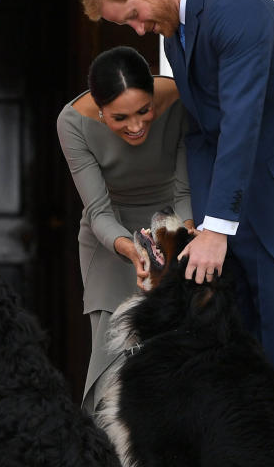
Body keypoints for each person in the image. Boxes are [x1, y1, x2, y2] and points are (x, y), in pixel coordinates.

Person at [81, 0, 274, 401]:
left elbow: (240, 124)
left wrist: (216, 230)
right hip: (235, 215)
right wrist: (200, 225)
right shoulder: (176, 30)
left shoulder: (238, 9)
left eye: (131, 15)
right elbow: (204, 134)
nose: (139, 30)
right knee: (233, 370)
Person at [57, 46, 192, 414]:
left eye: (144, 111)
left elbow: (184, 192)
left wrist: (184, 240)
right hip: (111, 239)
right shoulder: (71, 122)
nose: (135, 126)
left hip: (173, 224)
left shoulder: (180, 99)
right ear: (100, 112)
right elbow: (97, 210)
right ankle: (109, 464)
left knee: (173, 349)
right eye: (120, 118)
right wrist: (131, 250)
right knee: (114, 355)